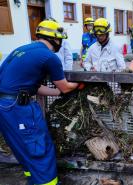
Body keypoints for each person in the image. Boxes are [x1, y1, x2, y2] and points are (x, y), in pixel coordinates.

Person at [0, 19, 83, 185]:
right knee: (39, 148)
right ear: (55, 39)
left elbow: (34, 87)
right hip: (18, 109)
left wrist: (57, 92)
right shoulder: (49, 57)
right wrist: (80, 84)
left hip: (4, 107)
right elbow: (66, 87)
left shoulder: (21, 50)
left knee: (23, 149)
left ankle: (34, 181)